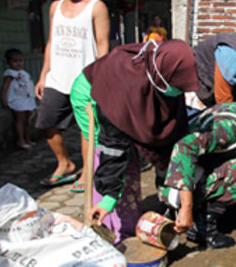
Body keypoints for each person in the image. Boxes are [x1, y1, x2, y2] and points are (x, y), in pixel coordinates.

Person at [77, 39, 198, 243]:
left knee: (132, 162)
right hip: (93, 93)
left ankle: (130, 219)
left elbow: (173, 132)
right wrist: (109, 198)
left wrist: (174, 186)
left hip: (135, 90)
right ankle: (110, 229)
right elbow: (112, 146)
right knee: (118, 163)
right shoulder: (122, 93)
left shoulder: (165, 73)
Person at [151, 75, 236, 249]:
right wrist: (186, 206)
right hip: (177, 188)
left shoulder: (231, 110)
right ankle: (204, 227)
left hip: (177, 179)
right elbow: (184, 147)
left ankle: (190, 211)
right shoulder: (230, 126)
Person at [34, 0, 110, 187]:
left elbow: (103, 46)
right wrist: (43, 74)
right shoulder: (55, 6)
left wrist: (100, 80)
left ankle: (87, 172)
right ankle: (65, 163)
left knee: (86, 130)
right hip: (57, 77)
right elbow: (50, 42)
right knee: (47, 122)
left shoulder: (96, 7)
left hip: (85, 79)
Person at [0, 48, 36, 150]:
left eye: (20, 61)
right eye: (15, 61)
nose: (18, 63)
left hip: (27, 98)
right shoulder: (10, 73)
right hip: (18, 99)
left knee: (27, 120)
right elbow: (5, 87)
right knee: (20, 119)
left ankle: (28, 138)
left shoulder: (24, 72)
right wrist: (3, 98)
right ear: (9, 62)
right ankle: (21, 140)